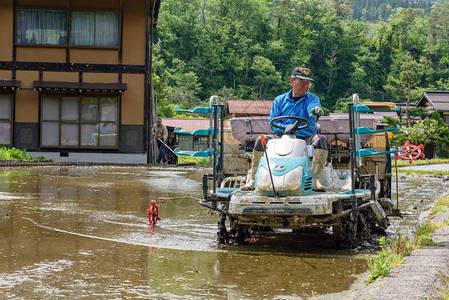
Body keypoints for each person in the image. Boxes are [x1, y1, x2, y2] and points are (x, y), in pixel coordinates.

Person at [241, 67, 329, 192]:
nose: (305, 86)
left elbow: (312, 108)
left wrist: (314, 111)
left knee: (321, 139)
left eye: (308, 83)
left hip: (305, 136)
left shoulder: (312, 99)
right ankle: (253, 179)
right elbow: (273, 123)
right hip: (281, 136)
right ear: (292, 81)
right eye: (302, 82)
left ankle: (315, 180)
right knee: (261, 140)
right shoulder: (279, 100)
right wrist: (287, 128)